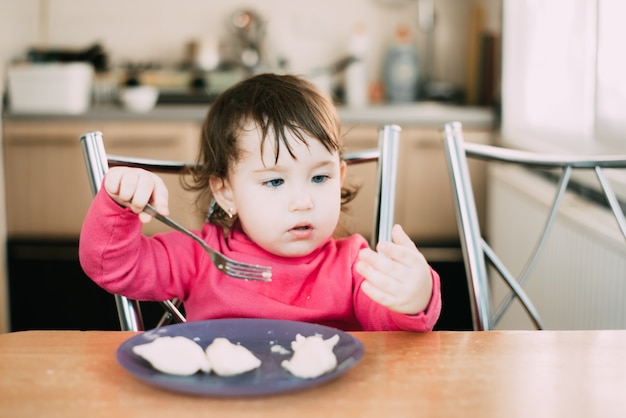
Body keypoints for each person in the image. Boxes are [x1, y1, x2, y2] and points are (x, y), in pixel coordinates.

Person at [79, 73, 441, 331]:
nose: (302, 201)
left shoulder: (353, 265)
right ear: (226, 192)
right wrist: (120, 203)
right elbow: (112, 266)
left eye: (319, 177)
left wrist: (414, 296)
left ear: (340, 178)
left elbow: (389, 329)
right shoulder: (200, 255)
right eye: (274, 181)